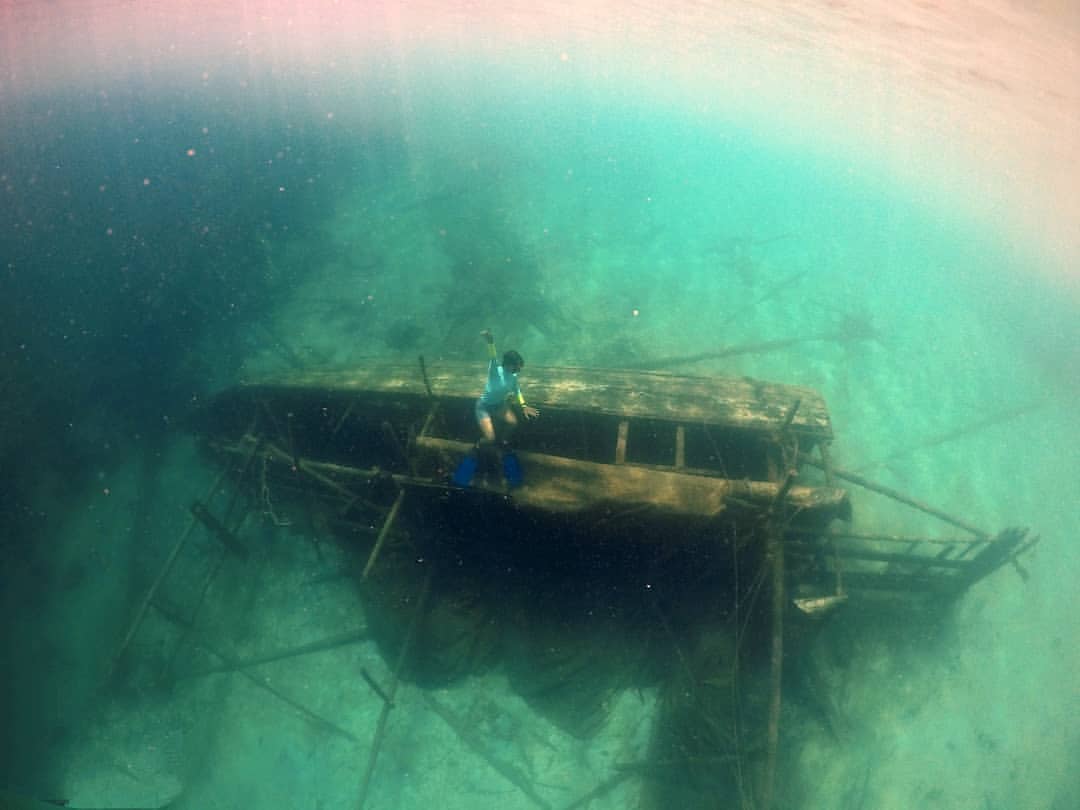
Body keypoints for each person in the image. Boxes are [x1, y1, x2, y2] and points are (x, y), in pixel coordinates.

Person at [452, 329, 539, 488]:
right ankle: (478, 447)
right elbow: (492, 355)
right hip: (484, 407)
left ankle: (503, 442)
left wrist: (524, 406)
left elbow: (517, 390)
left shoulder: (513, 377)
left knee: (513, 423)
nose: (519, 370)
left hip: (499, 405)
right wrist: (490, 341)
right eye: (517, 367)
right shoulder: (495, 370)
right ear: (509, 364)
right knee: (490, 439)